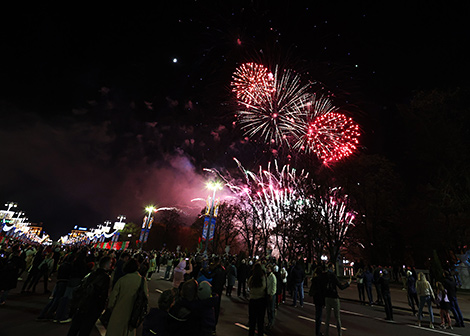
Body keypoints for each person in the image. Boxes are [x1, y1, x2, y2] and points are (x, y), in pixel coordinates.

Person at [67, 256, 112, 336]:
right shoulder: (105, 277)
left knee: (75, 326)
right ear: (106, 265)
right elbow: (103, 294)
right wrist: (101, 307)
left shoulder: (91, 274)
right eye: (110, 263)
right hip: (93, 305)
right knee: (86, 328)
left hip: (82, 302)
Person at [106, 258, 149, 336]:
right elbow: (145, 298)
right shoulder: (142, 281)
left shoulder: (122, 280)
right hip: (133, 316)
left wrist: (110, 307)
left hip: (118, 314)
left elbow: (112, 300)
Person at [324, 263, 350, 336]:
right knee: (337, 317)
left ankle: (326, 333)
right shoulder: (333, 276)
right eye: (333, 268)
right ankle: (339, 333)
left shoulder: (325, 275)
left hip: (327, 297)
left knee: (327, 317)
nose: (334, 269)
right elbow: (341, 287)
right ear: (331, 268)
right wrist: (347, 284)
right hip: (334, 297)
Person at [248, 263, 267, 336]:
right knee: (260, 322)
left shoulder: (252, 278)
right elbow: (266, 287)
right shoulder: (263, 278)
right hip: (261, 300)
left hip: (253, 300)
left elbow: (249, 286)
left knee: (252, 321)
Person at [309, 265, 327, 336]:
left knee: (318, 316)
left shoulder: (315, 280)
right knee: (319, 316)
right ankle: (318, 332)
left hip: (316, 299)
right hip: (321, 299)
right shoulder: (323, 280)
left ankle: (317, 331)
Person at [266, 264, 277, 330]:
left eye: (268, 268)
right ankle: (269, 321)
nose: (267, 270)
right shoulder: (267, 276)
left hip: (271, 295)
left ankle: (271, 322)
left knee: (271, 309)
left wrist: (272, 294)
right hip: (267, 294)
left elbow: (273, 286)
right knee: (268, 309)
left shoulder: (272, 277)